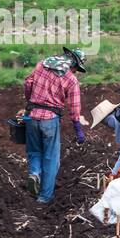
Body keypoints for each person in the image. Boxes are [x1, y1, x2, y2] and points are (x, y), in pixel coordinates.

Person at [20, 47, 87, 204]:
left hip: (31, 116)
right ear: (74, 65)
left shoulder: (42, 64)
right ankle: (44, 197)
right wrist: (77, 128)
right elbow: (74, 107)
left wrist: (32, 101)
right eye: (76, 69)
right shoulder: (71, 79)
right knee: (51, 158)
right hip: (50, 120)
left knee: (34, 151)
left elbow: (28, 83)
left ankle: (35, 173)